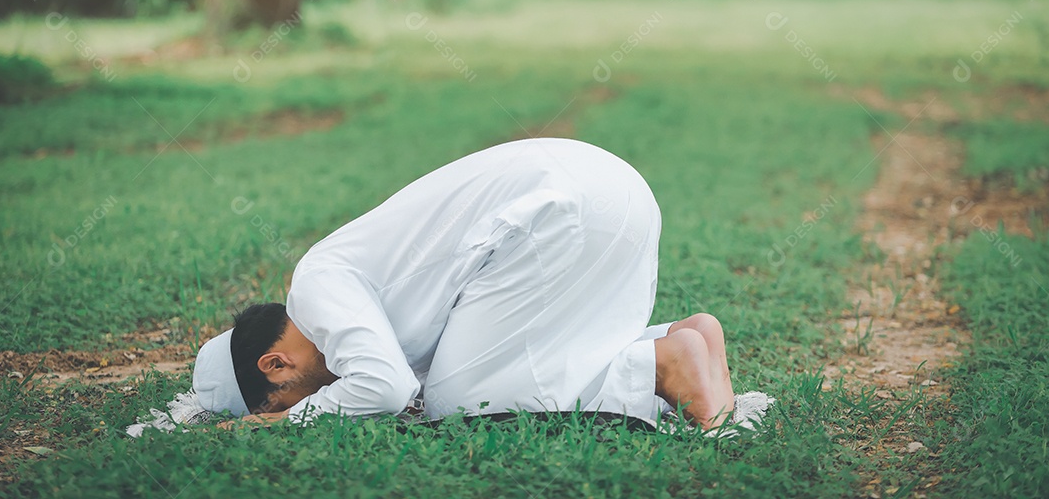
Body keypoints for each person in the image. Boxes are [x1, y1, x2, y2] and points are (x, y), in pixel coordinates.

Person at [193, 138, 762, 432]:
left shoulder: (313, 289)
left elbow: (386, 390)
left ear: (275, 366)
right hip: (609, 188)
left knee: (460, 404)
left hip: (560, 211)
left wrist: (288, 425)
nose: (315, 400)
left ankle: (662, 364)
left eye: (288, 402)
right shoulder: (343, 296)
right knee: (519, 360)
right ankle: (691, 340)